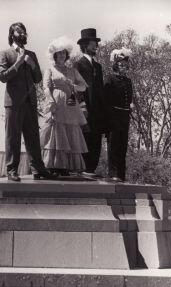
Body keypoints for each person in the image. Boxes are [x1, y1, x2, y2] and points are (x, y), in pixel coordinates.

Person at [0, 22, 58, 181]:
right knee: (13, 137)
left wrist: (32, 65)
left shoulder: (31, 54)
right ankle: (12, 170)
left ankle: (38, 169)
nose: (23, 34)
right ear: (12, 34)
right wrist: (17, 63)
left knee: (33, 137)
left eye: (24, 31)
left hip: (30, 102)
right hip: (13, 103)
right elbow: (2, 76)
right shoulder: (5, 53)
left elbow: (38, 78)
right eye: (19, 31)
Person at [40, 36, 89, 175]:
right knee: (56, 131)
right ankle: (54, 165)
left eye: (63, 53)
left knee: (70, 130)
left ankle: (67, 166)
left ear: (66, 55)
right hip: (56, 102)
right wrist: (51, 102)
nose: (61, 55)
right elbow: (45, 87)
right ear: (54, 55)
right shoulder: (50, 70)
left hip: (71, 104)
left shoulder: (72, 70)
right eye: (59, 53)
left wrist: (73, 85)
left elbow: (83, 87)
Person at [74, 28, 105, 177]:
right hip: (85, 109)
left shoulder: (98, 67)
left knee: (96, 140)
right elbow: (76, 88)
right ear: (85, 45)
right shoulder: (78, 64)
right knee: (85, 138)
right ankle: (84, 169)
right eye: (93, 44)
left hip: (98, 111)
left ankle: (91, 169)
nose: (96, 46)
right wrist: (82, 105)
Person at [103, 48, 134, 182]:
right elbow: (104, 98)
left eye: (125, 65)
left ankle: (121, 174)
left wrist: (130, 106)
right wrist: (109, 116)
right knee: (113, 145)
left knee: (123, 145)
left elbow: (130, 97)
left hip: (125, 116)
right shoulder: (110, 79)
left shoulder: (128, 81)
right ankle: (113, 173)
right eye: (121, 64)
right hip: (113, 115)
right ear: (116, 65)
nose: (123, 66)